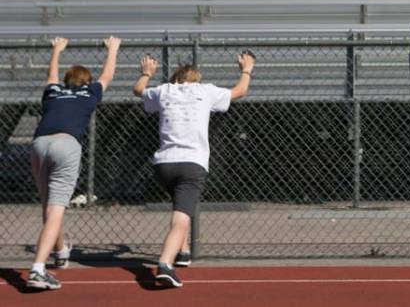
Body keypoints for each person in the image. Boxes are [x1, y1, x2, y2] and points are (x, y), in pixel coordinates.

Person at [134, 50, 255, 287]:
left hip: (164, 163)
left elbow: (138, 90)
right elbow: (240, 91)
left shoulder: (165, 91)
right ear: (194, 79)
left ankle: (184, 250)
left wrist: (146, 73)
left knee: (182, 207)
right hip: (192, 163)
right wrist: (246, 69)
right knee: (180, 217)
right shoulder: (205, 90)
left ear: (176, 79)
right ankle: (165, 264)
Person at [27, 36, 121, 291]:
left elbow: (51, 76)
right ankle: (37, 269)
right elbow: (108, 75)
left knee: (48, 205)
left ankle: (60, 251)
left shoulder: (54, 92)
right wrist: (113, 49)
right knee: (57, 209)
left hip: (39, 143)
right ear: (86, 82)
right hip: (65, 145)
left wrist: (56, 50)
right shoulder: (89, 92)